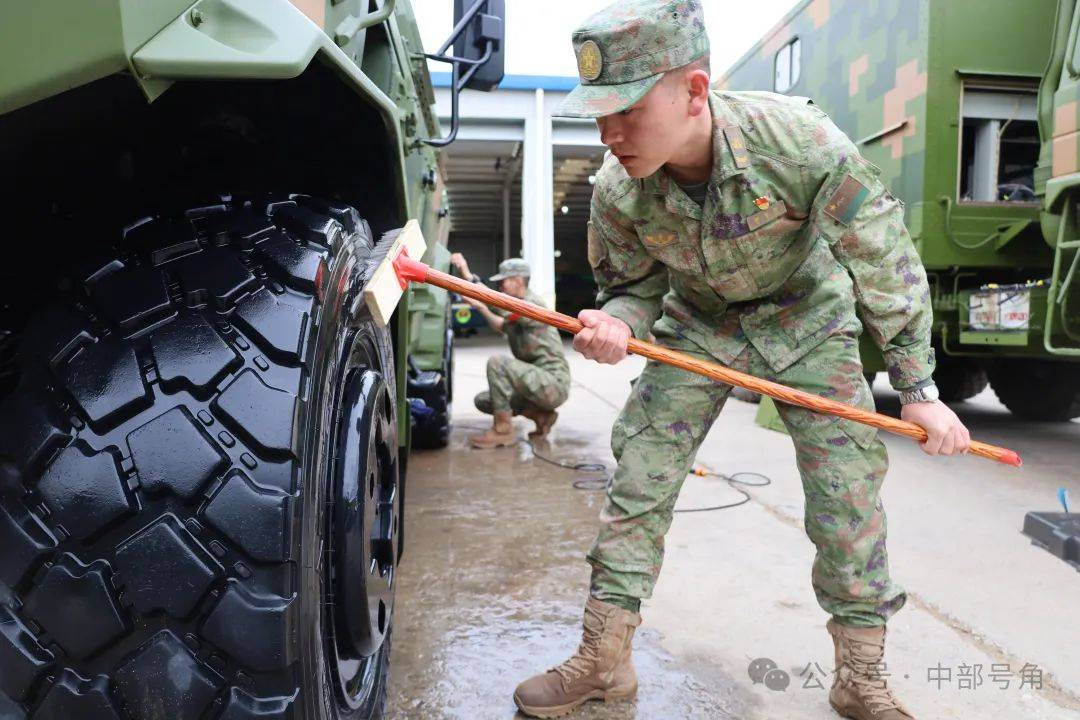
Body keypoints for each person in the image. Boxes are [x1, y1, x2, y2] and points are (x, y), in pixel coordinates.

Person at [511, 2, 971, 719]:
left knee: (847, 498)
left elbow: (884, 259)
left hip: (809, 322)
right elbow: (634, 289)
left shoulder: (800, 144)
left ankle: (861, 676)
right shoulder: (617, 189)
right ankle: (604, 659)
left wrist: (918, 388)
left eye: (627, 109)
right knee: (639, 475)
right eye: (599, 113)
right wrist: (616, 321)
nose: (607, 132)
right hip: (697, 325)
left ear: (694, 91)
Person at [450, 253, 571, 448]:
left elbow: (494, 301)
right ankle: (541, 416)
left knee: (498, 363)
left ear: (517, 281)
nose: (501, 287)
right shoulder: (517, 310)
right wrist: (481, 307)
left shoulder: (532, 305)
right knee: (485, 400)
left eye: (504, 281)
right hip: (535, 381)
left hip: (553, 384)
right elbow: (502, 324)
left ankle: (503, 430)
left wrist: (468, 277)